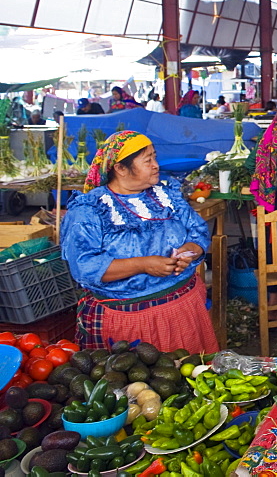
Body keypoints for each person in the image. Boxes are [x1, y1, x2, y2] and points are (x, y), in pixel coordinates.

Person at [60, 131, 218, 353]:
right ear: (121, 168)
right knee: (139, 384)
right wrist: (143, 265)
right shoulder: (90, 210)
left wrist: (191, 250)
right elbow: (84, 268)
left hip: (184, 309)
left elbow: (197, 230)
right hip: (129, 323)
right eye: (148, 160)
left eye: (155, 157)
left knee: (192, 376)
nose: (156, 165)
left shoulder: (166, 196)